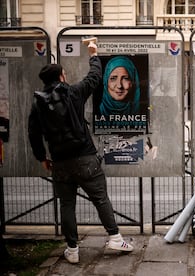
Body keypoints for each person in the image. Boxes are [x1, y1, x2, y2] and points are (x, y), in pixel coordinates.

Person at [28, 42, 133, 264]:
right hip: (85, 158)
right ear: (61, 77)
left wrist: (42, 158)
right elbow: (95, 77)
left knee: (67, 205)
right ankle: (115, 237)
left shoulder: (38, 103)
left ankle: (72, 249)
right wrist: (94, 54)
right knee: (100, 198)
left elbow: (34, 135)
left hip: (60, 162)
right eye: (64, 73)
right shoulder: (73, 93)